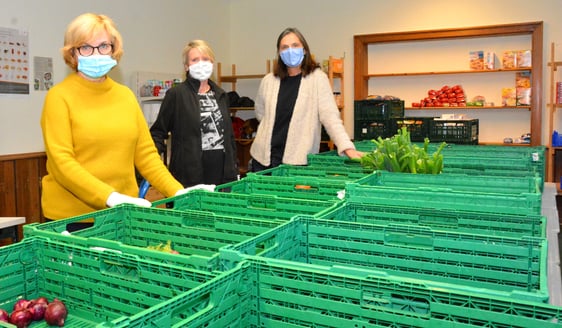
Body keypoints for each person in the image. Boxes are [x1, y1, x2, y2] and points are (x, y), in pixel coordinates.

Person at [40, 13, 195, 227]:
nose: (95, 53)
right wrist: (110, 197)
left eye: (104, 46)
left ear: (114, 49)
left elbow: (147, 156)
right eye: (85, 47)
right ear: (73, 53)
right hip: (73, 219)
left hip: (121, 214)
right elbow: (62, 164)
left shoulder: (125, 96)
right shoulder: (59, 97)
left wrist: (178, 192)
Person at [250, 27, 363, 172]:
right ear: (279, 53)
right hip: (263, 160)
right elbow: (260, 112)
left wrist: (347, 148)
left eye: (295, 45)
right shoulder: (269, 80)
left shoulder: (317, 79)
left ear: (304, 49)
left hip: (298, 161)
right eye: (285, 47)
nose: (290, 50)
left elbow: (331, 118)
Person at [150, 40, 238, 187]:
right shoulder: (176, 95)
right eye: (195, 60)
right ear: (186, 66)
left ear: (212, 63)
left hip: (221, 174)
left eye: (205, 59)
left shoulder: (221, 95)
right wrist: (150, 164)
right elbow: (158, 132)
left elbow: (228, 137)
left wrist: (233, 169)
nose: (201, 63)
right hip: (189, 174)